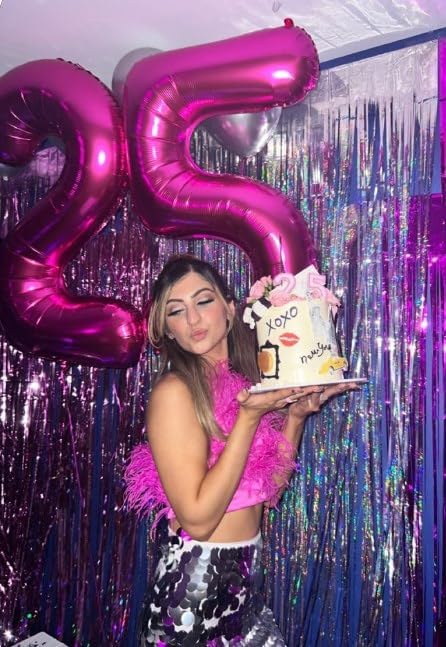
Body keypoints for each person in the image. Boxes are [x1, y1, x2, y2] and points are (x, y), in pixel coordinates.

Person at [125, 254, 359, 646]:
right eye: (176, 311)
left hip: (246, 589)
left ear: (230, 309)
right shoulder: (175, 393)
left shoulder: (246, 384)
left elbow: (269, 492)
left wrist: (296, 416)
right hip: (192, 597)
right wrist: (249, 419)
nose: (193, 319)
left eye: (203, 301)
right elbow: (198, 521)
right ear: (167, 329)